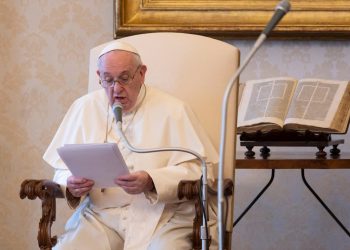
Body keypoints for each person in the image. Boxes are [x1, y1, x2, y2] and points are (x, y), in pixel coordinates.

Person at [43, 41, 219, 250]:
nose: (116, 89)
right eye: (108, 80)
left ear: (142, 74)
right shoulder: (84, 107)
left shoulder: (174, 109)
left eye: (124, 78)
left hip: (164, 216)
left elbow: (200, 171)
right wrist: (71, 183)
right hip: (101, 217)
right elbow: (62, 170)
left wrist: (152, 181)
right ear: (99, 76)